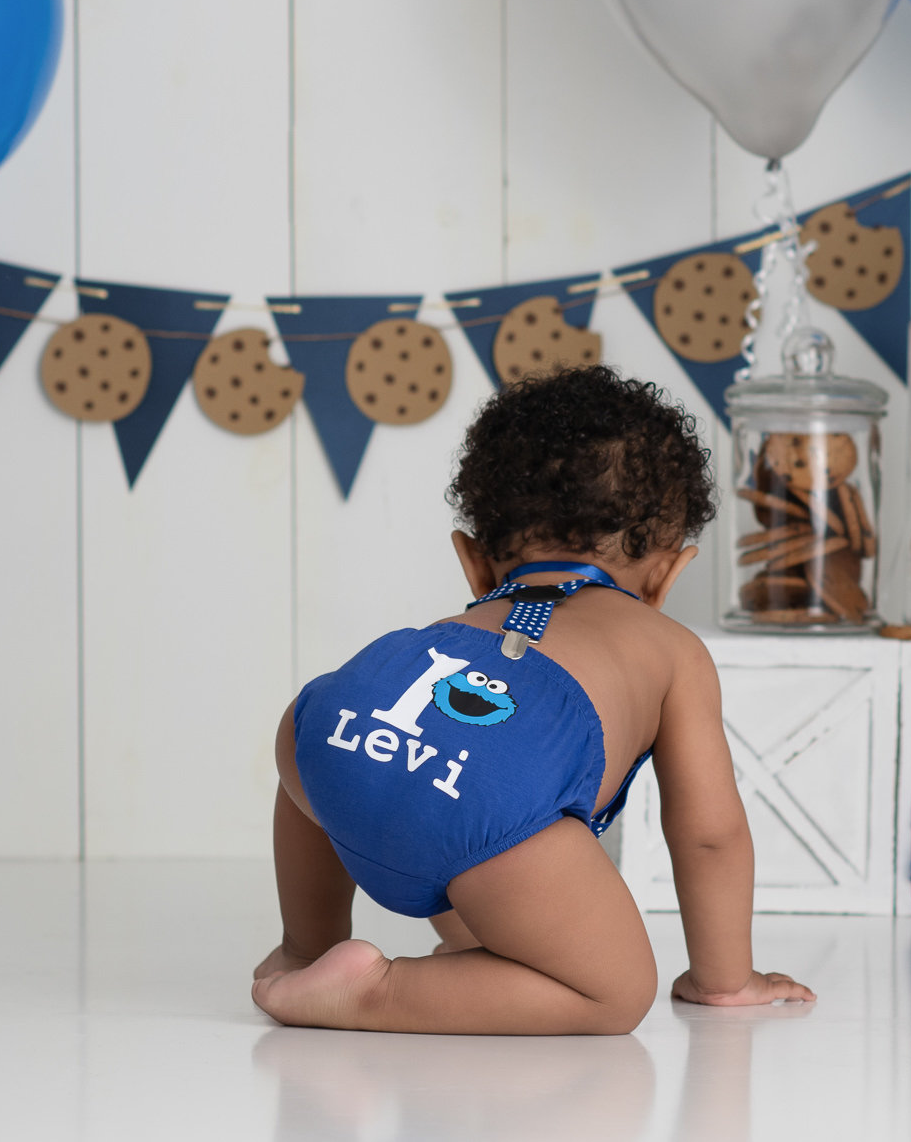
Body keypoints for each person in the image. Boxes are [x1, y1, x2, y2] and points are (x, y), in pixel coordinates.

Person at [253, 366, 815, 1034]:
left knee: (327, 761)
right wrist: (726, 978)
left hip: (334, 728)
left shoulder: (471, 613)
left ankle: (305, 947)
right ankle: (374, 989)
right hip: (489, 796)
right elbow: (709, 836)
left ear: (474, 561)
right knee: (616, 988)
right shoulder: (672, 649)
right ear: (668, 572)